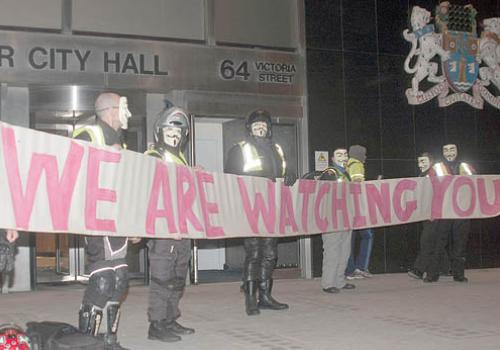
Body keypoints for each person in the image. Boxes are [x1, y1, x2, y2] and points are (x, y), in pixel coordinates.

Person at [73, 92, 132, 350]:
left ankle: (110, 339)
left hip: (118, 219)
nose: (127, 115)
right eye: (123, 109)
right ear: (110, 111)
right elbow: (72, 170)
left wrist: (135, 221)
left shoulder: (122, 143)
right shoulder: (87, 134)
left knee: (119, 280)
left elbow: (128, 185)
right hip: (96, 217)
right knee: (102, 280)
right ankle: (87, 341)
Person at [225, 109, 296, 316]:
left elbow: (283, 171)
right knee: (254, 253)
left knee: (271, 254)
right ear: (250, 128)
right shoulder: (239, 149)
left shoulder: (277, 148)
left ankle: (265, 296)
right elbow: (230, 178)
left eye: (264, 124)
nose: (261, 127)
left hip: (273, 207)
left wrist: (290, 174)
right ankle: (250, 298)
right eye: (257, 125)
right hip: (251, 209)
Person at [144, 106, 195, 343]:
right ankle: (156, 324)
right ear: (159, 132)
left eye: (179, 132)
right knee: (162, 278)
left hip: (183, 228)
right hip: (165, 230)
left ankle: (170, 318)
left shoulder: (182, 159)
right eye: (169, 131)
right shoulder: (152, 157)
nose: (174, 136)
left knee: (177, 277)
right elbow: (153, 194)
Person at [424, 143, 475, 282]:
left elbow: (476, 184)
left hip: (461, 212)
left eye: (452, 149)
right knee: (438, 244)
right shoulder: (436, 167)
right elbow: (426, 186)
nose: (449, 152)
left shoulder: (465, 166)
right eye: (446, 150)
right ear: (442, 152)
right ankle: (432, 275)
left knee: (460, 244)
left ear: (457, 151)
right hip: (444, 212)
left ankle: (458, 275)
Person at [320, 148, 355, 293]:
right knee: (332, 251)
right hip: (332, 219)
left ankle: (339, 281)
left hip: (345, 217)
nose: (343, 157)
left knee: (344, 252)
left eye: (345, 154)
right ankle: (328, 283)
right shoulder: (330, 173)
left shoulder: (346, 173)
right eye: (339, 155)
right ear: (333, 159)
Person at [345, 145, 374, 280]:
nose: (366, 157)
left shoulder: (347, 165)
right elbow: (357, 184)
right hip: (357, 208)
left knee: (349, 239)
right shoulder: (357, 165)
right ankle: (360, 267)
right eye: (364, 154)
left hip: (347, 207)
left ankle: (349, 269)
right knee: (367, 235)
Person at [408, 152, 438, 280]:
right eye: (419, 161)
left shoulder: (433, 173)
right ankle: (444, 269)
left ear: (431, 161)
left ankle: (419, 270)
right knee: (435, 243)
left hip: (434, 214)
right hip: (426, 214)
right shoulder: (422, 175)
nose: (421, 164)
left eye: (424, 161)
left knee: (426, 242)